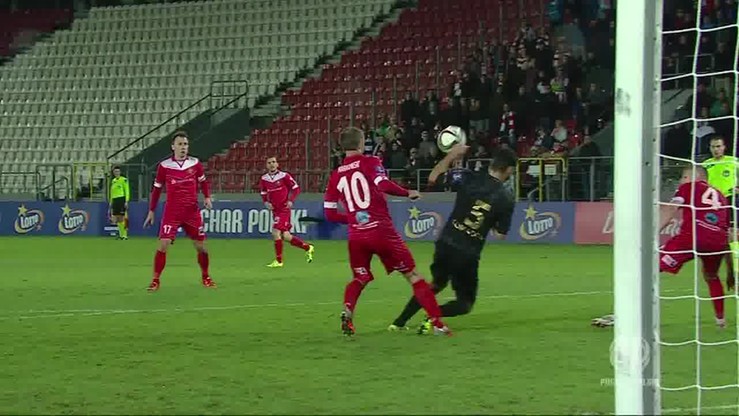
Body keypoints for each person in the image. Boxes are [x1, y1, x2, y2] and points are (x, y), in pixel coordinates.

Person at [323, 126, 450, 336]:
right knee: (413, 276)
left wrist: (353, 219)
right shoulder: (370, 162)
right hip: (381, 231)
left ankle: (348, 310)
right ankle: (437, 324)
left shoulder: (336, 175)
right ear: (361, 143)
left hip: (357, 235)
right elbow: (382, 184)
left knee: (360, 278)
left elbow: (329, 214)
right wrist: (407, 192)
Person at [389, 145, 517, 333]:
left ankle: (398, 323)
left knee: (435, 284)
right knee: (465, 303)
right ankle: (432, 316)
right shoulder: (506, 198)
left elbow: (433, 177)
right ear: (509, 169)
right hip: (468, 252)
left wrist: (452, 155)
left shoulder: (469, 177)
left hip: (446, 242)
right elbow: (500, 235)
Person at [592, 166, 730, 328]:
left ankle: (624, 316)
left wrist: (649, 235)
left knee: (644, 268)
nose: (681, 181)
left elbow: (670, 209)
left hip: (692, 237)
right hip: (718, 241)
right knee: (711, 276)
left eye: (684, 177)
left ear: (694, 177)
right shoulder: (721, 196)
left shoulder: (688, 187)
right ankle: (721, 321)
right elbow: (726, 228)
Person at [143, 131, 216, 291]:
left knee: (201, 247)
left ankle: (206, 277)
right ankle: (155, 280)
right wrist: (151, 210)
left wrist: (207, 197)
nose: (183, 147)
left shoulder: (195, 163)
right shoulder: (164, 166)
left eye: (185, 144)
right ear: (173, 146)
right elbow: (156, 190)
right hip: (172, 212)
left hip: (191, 212)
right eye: (180, 144)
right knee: (163, 244)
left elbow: (203, 182)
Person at [259, 156, 315, 268]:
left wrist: (291, 200)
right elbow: (263, 192)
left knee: (275, 232)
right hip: (275, 210)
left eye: (273, 162)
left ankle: (279, 261)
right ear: (266, 165)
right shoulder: (264, 179)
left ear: (277, 164)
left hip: (284, 209)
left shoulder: (284, 176)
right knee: (286, 236)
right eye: (269, 162)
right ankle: (308, 247)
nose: (272, 164)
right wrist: (266, 202)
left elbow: (296, 188)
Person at [702, 136, 738, 291]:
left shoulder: (733, 161)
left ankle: (735, 271)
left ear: (724, 147)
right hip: (713, 204)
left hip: (730, 201)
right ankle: (727, 271)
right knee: (720, 240)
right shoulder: (705, 165)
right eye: (713, 147)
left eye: (718, 146)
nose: (716, 149)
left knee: (733, 235)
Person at [109, 166, 130, 240]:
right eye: (115, 172)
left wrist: (126, 201)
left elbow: (127, 190)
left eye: (118, 171)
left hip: (121, 199)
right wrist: (111, 201)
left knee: (123, 218)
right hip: (115, 200)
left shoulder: (124, 180)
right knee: (117, 219)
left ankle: (125, 235)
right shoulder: (113, 181)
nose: (116, 173)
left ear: (120, 172)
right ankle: (121, 235)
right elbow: (112, 192)